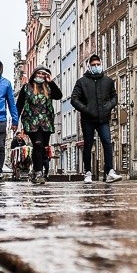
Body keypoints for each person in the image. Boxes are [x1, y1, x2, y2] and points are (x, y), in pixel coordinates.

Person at [70, 54, 121, 183]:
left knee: (107, 143)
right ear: (89, 66)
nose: (96, 67)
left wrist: (108, 106)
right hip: (88, 119)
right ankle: (87, 172)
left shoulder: (108, 81)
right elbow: (74, 99)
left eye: (98, 64)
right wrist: (86, 109)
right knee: (87, 145)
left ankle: (110, 171)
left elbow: (114, 97)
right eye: (93, 65)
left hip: (103, 118)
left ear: (101, 64)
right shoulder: (82, 82)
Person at [16, 66, 62, 185]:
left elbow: (59, 95)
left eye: (44, 74)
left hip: (46, 122)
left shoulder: (48, 87)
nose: (41, 76)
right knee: (38, 145)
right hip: (31, 122)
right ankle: (38, 172)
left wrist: (51, 81)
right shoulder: (27, 88)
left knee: (43, 148)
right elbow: (19, 104)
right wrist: (15, 122)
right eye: (39, 73)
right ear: (35, 74)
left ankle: (37, 171)